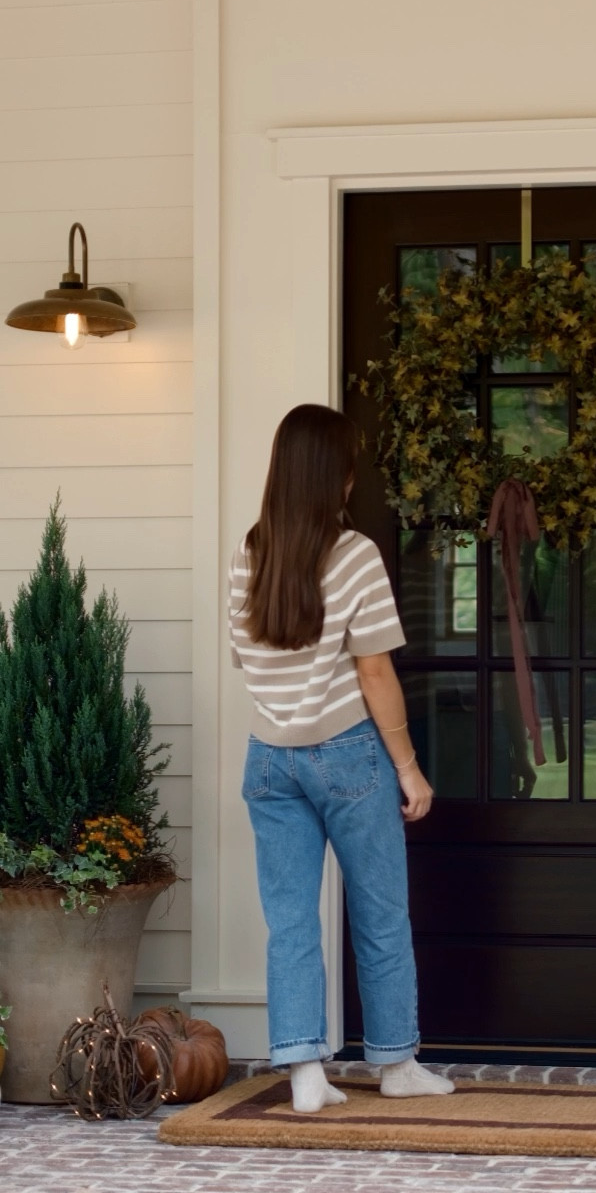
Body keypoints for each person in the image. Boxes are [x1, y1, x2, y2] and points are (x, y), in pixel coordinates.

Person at [229, 403, 455, 1112]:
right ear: (337, 475)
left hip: (269, 758)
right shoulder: (354, 554)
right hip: (348, 755)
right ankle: (395, 1065)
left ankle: (302, 1074)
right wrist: (410, 768)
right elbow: (375, 672)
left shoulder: (249, 553)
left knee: (291, 920)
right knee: (381, 913)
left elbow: (244, 657)